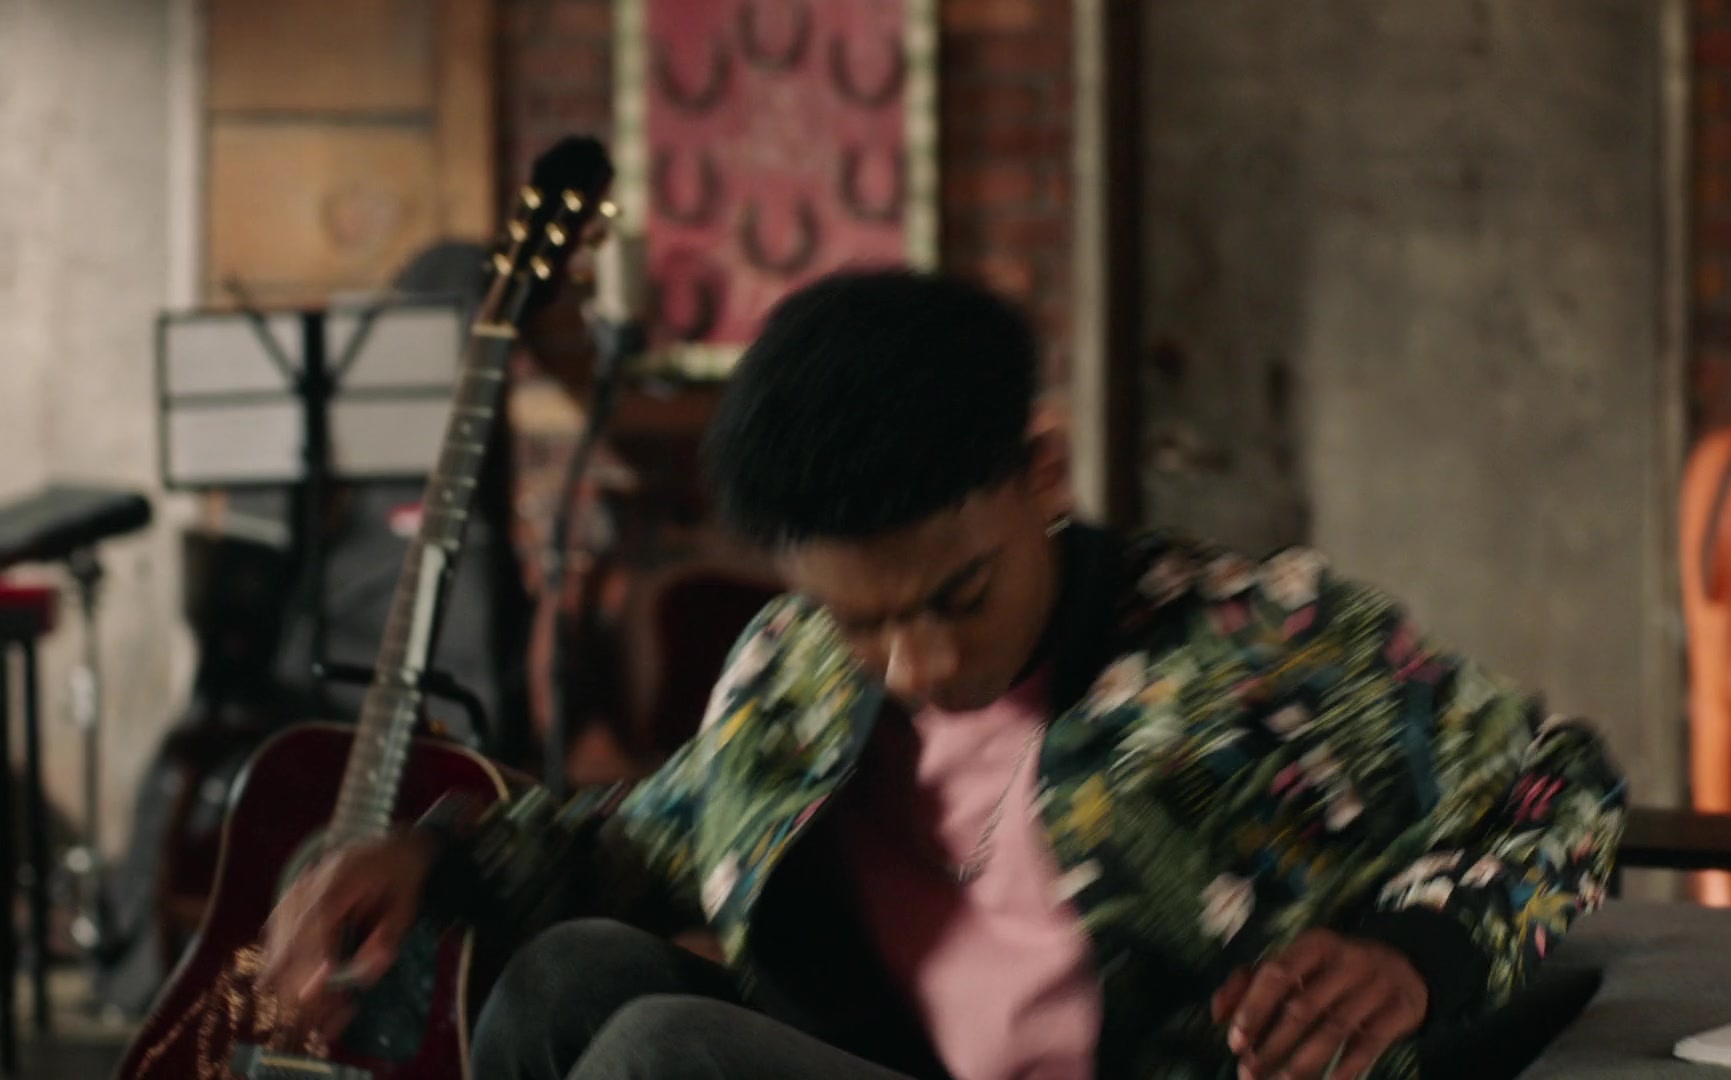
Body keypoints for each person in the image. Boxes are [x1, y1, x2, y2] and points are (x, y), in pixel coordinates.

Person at [258, 268, 1627, 1080]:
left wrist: (1415, 955)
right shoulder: (796, 671)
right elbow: (653, 837)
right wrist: (432, 861)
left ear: (1041, 473)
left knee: (662, 1061)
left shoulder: (1256, 646)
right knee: (568, 977)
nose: (917, 665)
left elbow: (1556, 785)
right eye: (860, 622)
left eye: (957, 596)